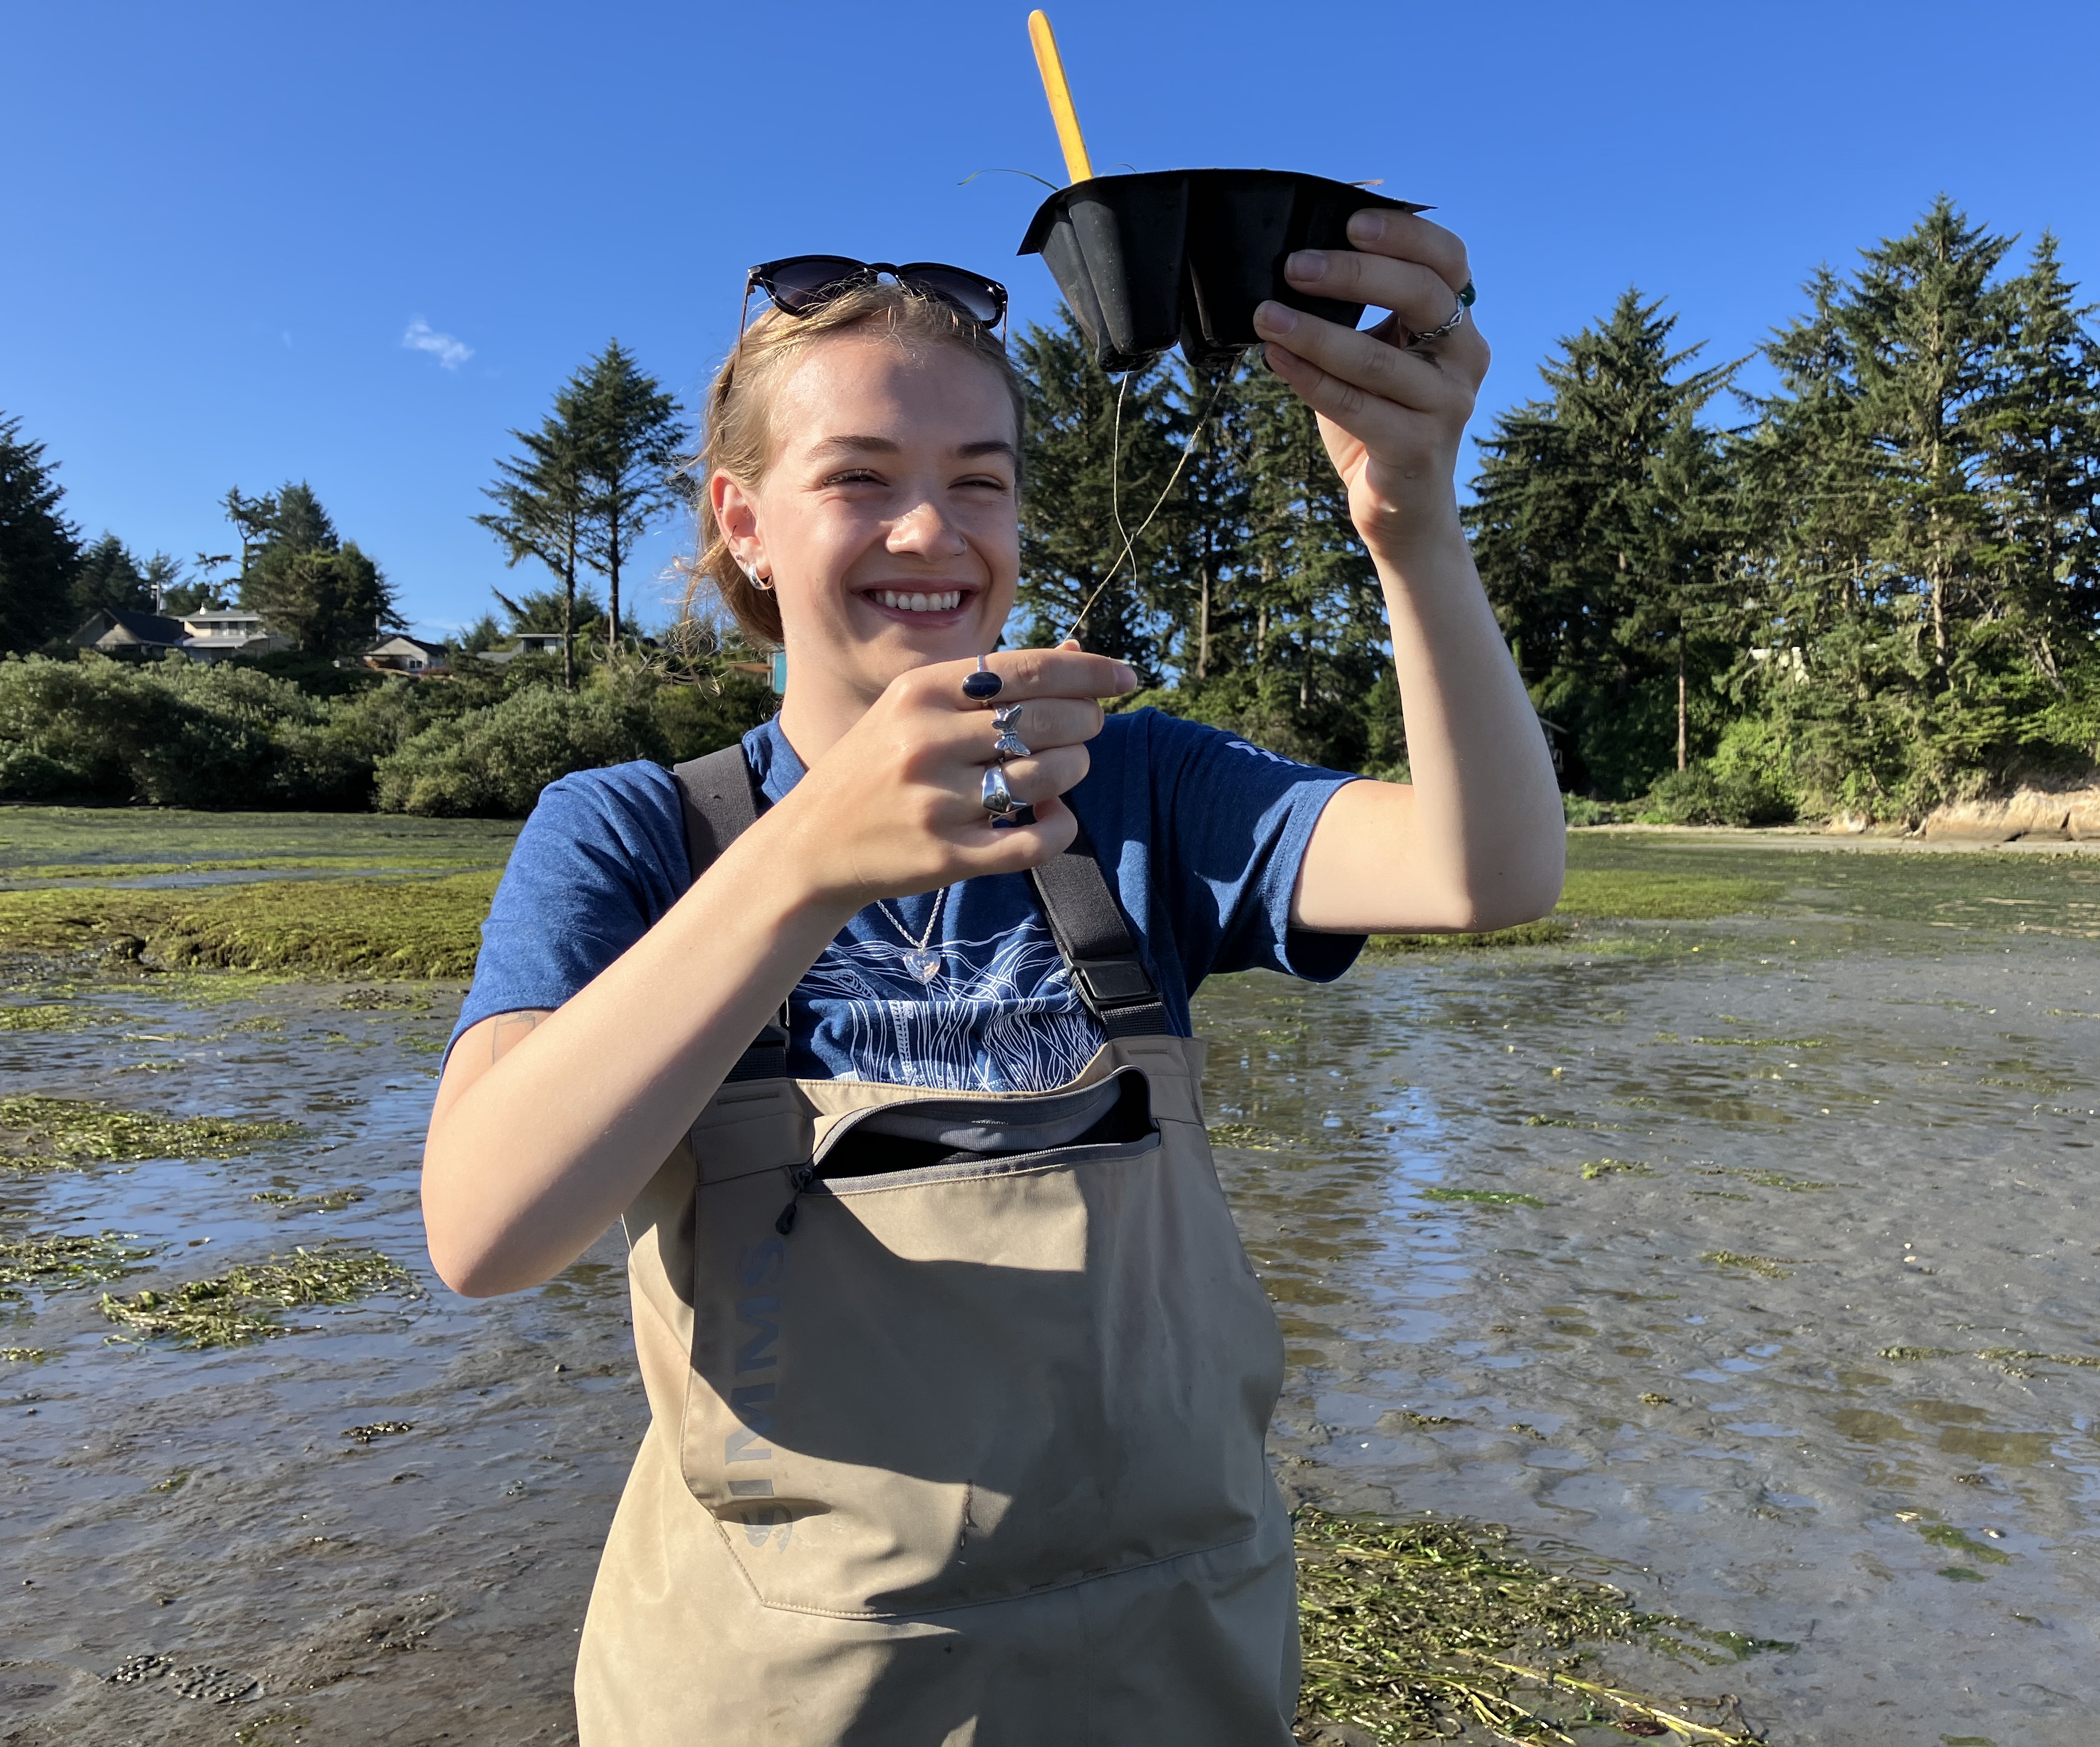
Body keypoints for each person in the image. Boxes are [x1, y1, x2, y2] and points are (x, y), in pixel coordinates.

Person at [421, 213, 1564, 1746]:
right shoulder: (631, 836)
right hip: (790, 1699)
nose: (931, 533)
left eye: (980, 483)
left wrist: (1413, 525)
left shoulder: (1136, 785)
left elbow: (1484, 873)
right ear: (743, 521)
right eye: (859, 480)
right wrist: (804, 856)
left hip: (1169, 1674)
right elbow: (487, 1230)